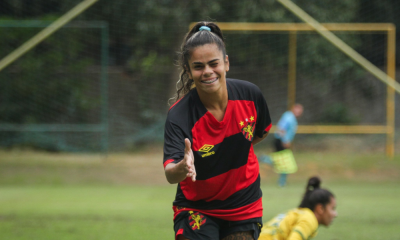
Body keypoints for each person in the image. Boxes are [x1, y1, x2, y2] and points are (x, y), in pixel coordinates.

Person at [163, 21, 272, 240]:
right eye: (198, 66)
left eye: (214, 63)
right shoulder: (179, 115)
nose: (207, 72)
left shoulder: (250, 95)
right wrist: (184, 166)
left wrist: (227, 150)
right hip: (197, 207)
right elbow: (170, 174)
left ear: (226, 63)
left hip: (243, 203)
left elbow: (260, 132)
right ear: (188, 70)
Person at [258, 176, 337, 240]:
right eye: (333, 208)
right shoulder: (309, 219)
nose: (335, 214)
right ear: (320, 209)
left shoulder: (298, 212)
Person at [259, 104, 303, 187]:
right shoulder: (288, 117)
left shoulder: (292, 118)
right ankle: (264, 159)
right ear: (293, 108)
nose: (299, 112)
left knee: (284, 162)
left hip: (282, 141)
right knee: (284, 163)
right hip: (280, 141)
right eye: (297, 109)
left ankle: (282, 182)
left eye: (300, 111)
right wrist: (285, 140)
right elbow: (281, 129)